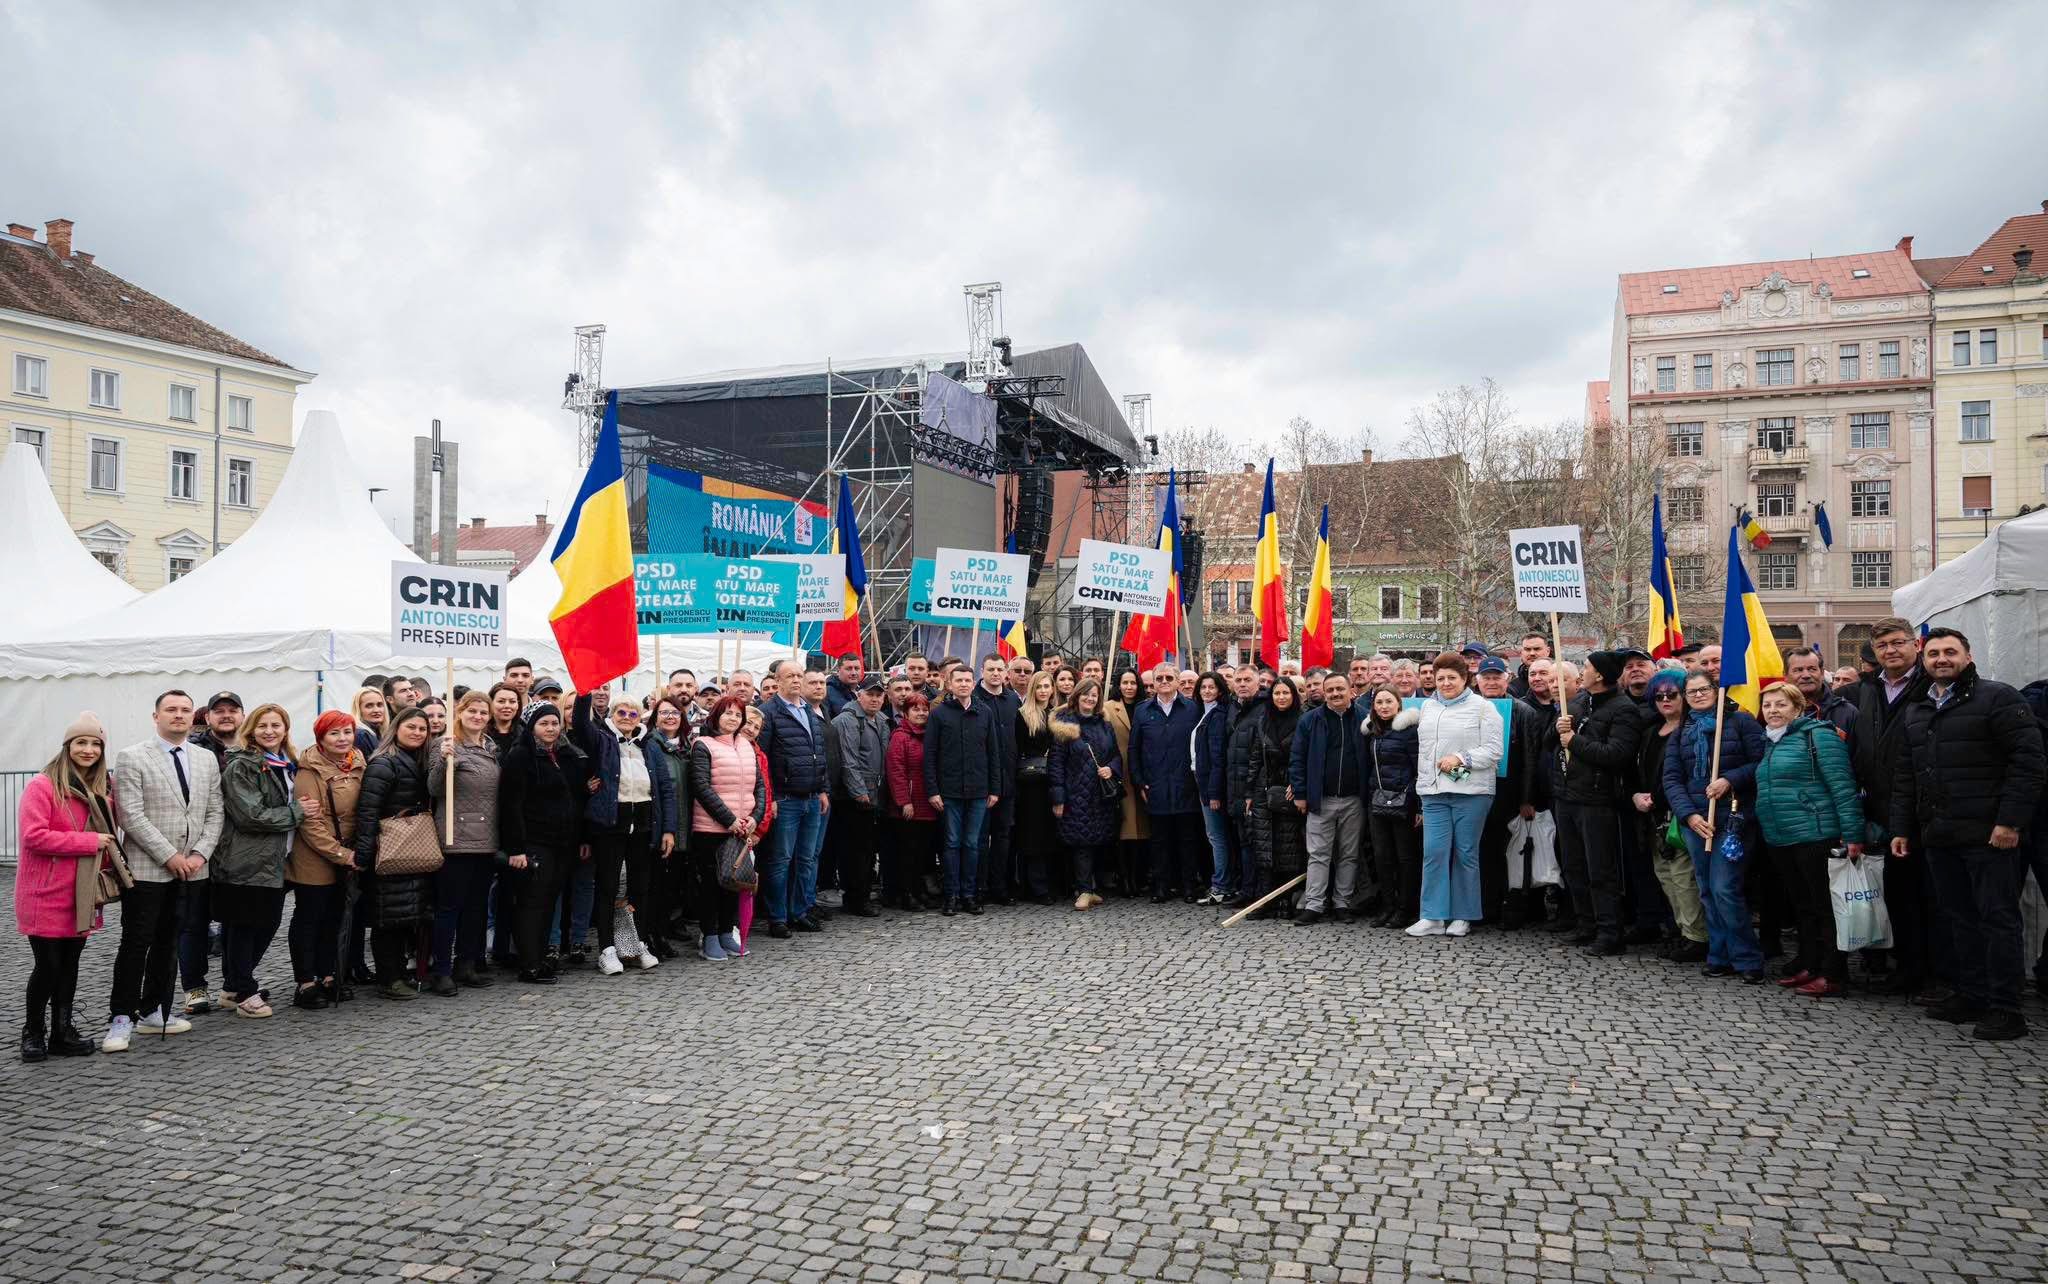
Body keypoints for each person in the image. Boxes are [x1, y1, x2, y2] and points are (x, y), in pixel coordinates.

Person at [1889, 627, 2046, 1040]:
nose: (1942, 659)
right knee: (1959, 918)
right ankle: (1971, 993)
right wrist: (1903, 827)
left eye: (1950, 652)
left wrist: (2010, 822)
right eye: (1934, 653)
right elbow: (1908, 775)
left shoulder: (1998, 697)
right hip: (1940, 834)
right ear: (1924, 660)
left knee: (1998, 920)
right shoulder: (1918, 708)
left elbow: (2028, 764)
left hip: (1990, 834)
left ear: (1968, 655)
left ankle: (2006, 1008)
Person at [105, 690, 221, 1051]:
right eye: (171, 710)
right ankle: (121, 1017)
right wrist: (171, 855)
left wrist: (200, 854)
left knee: (171, 941)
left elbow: (215, 812)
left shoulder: (205, 759)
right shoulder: (132, 757)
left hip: (192, 869)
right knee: (136, 943)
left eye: (185, 710)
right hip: (148, 869)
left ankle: (154, 1009)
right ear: (155, 716)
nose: (179, 715)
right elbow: (131, 816)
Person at [16, 713, 120, 1062]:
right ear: (67, 746)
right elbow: (33, 837)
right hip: (44, 893)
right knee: (47, 965)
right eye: (81, 742)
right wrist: (88, 841)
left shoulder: (102, 791)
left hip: (82, 892)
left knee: (70, 964)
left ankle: (61, 1032)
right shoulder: (43, 786)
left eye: (95, 744)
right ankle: (32, 1033)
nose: (88, 749)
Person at [1753, 682, 1865, 999]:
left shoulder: (1819, 736)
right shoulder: (1772, 742)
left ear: (1798, 708)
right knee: (1804, 907)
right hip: (1782, 836)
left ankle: (1833, 973)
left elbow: (1843, 787)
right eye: (1767, 705)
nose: (1772, 710)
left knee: (1825, 908)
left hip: (1816, 833)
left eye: (1780, 705)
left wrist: (1853, 833)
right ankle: (1812, 964)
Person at [1852, 617, 1938, 999]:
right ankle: (1907, 968)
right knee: (1898, 894)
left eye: (1898, 642)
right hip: (1880, 804)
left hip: (1922, 806)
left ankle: (1934, 972)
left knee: (1928, 895)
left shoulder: (1931, 685)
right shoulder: (1867, 689)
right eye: (1883, 645)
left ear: (1915, 645)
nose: (1890, 650)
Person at [1662, 670, 1768, 983]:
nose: (1697, 695)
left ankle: (1747, 958)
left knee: (1726, 888)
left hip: (1733, 819)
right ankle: (1719, 955)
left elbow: (1762, 761)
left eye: (1703, 689)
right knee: (1707, 890)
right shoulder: (1682, 731)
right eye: (1690, 691)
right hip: (1698, 822)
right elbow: (1671, 778)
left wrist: (1729, 779)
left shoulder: (1741, 722)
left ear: (1716, 689)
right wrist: (1688, 816)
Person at [573, 687, 678, 973]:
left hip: (644, 824)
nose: (628, 717)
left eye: (633, 713)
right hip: (611, 824)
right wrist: (585, 692)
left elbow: (665, 790)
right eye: (621, 712)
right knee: (608, 887)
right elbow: (581, 725)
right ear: (612, 715)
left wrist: (669, 829)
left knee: (640, 888)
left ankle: (638, 943)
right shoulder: (603, 740)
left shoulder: (649, 746)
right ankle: (607, 948)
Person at [213, 704, 305, 1018]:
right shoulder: (244, 764)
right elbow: (250, 815)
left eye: (276, 725)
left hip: (277, 858)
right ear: (251, 729)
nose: (269, 731)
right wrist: (298, 813)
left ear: (285, 728)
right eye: (262, 725)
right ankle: (243, 989)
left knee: (264, 923)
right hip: (247, 858)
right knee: (247, 925)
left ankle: (233, 985)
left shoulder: (286, 763)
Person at [1551, 651, 1644, 956]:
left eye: (1587, 668)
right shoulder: (1578, 703)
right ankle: (1585, 923)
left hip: (1598, 800)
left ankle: (1609, 931)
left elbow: (1616, 754)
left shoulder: (1624, 709)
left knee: (1601, 870)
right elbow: (1553, 744)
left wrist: (1573, 741)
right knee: (1574, 866)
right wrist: (1559, 729)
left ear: (1601, 675)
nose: (1582, 671)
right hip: (1568, 796)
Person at [498, 702, 594, 985]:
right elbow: (511, 805)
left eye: (554, 723)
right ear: (531, 727)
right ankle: (529, 964)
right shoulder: (520, 755)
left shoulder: (565, 755)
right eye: (544, 724)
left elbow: (578, 799)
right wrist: (515, 848)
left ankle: (541, 959)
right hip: (533, 841)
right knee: (532, 903)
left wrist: (583, 837)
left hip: (563, 841)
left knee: (550, 902)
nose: (551, 728)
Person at [1410, 653, 1503, 937]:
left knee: (1465, 853)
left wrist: (1461, 758)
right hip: (1434, 791)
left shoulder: (1483, 709)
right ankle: (1433, 916)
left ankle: (1463, 916)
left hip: (1471, 791)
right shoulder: (1427, 707)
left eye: (1452, 678)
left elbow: (1494, 750)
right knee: (1434, 853)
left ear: (1465, 679)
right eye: (1441, 679)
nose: (1446, 683)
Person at [352, 707, 438, 1001]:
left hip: (410, 849)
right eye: (411, 727)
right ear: (397, 728)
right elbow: (367, 811)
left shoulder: (418, 760)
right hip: (388, 850)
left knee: (404, 917)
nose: (417, 733)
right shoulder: (384, 764)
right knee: (387, 919)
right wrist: (365, 853)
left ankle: (399, 973)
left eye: (422, 729)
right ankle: (389, 978)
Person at [424, 691, 501, 994]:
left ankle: (466, 963)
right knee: (449, 908)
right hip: (457, 838)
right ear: (460, 712)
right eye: (472, 711)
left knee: (476, 908)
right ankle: (441, 969)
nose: (478, 716)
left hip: (487, 838)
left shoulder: (491, 747)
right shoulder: (446, 745)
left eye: (483, 712)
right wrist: (445, 762)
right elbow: (434, 787)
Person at [1631, 671, 1707, 963]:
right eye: (1659, 695)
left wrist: (1664, 800)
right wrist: (1637, 796)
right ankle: (1681, 931)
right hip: (1651, 816)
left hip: (1680, 814)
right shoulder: (1651, 731)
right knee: (1666, 877)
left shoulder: (1691, 731)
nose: (1665, 700)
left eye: (1672, 694)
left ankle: (1696, 937)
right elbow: (1639, 771)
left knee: (1684, 878)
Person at [289, 710, 361, 1009]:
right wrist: (342, 854)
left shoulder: (358, 762)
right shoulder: (310, 772)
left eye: (346, 732)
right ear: (321, 738)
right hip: (315, 856)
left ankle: (329, 973)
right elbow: (310, 823)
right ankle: (305, 982)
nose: (342, 738)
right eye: (334, 733)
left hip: (348, 853)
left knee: (335, 918)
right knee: (310, 918)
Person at [688, 694, 767, 960]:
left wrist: (755, 816)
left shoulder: (746, 744)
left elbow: (759, 785)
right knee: (711, 885)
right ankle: (709, 936)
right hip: (711, 828)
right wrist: (729, 820)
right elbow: (701, 787)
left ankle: (725, 932)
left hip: (742, 828)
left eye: (737, 714)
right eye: (728, 713)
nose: (733, 718)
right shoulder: (703, 745)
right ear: (716, 716)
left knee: (734, 883)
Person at [754, 660, 830, 936]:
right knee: (781, 859)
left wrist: (823, 789)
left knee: (806, 858)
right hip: (785, 798)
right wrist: (770, 797)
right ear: (778, 680)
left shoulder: (808, 710)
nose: (796, 680)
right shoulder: (769, 712)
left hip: (811, 796)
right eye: (790, 676)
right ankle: (778, 917)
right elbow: (761, 759)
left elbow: (818, 752)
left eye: (799, 675)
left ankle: (799, 911)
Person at [177, 690, 242, 1014]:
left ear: (242, 715)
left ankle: (234, 984)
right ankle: (194, 988)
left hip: (238, 852)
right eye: (220, 710)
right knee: (194, 921)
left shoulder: (250, 748)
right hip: (200, 848)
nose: (226, 715)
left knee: (234, 920)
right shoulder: (194, 752)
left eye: (233, 709)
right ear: (209, 717)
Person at [1288, 671, 1367, 925]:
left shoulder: (1365, 718)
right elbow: (1297, 758)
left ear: (1350, 690)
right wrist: (1300, 793)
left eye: (1339, 689)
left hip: (1354, 799)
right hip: (1320, 799)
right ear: (1324, 692)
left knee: (1349, 854)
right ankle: (1314, 905)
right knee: (1318, 854)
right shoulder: (1310, 720)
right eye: (1330, 690)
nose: (1335, 694)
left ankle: (1342, 903)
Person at [1473, 656, 1546, 928]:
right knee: (1483, 851)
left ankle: (1511, 909)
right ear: (1477, 681)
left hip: (1510, 793)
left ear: (1507, 679)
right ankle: (1485, 907)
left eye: (1496, 677)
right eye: (1486, 677)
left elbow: (1530, 758)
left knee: (1510, 852)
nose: (1491, 682)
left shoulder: (1524, 711)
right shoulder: (1470, 708)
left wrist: (1527, 799)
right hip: (1476, 790)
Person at [925, 663, 1002, 915]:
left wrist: (994, 788)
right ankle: (951, 895)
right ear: (950, 683)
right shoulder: (939, 714)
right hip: (949, 792)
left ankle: (969, 895)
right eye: (959, 680)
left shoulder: (985, 712)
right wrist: (933, 790)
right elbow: (930, 755)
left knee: (972, 844)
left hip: (979, 791)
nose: (964, 684)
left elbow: (993, 753)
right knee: (951, 843)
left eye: (968, 680)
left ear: (973, 682)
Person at [1131, 662, 1205, 903]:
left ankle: (1189, 886)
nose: (1163, 682)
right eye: (1159, 678)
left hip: (1186, 784)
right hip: (1156, 785)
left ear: (1177, 680)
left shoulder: (1193, 709)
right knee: (1159, 840)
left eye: (1168, 678)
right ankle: (1161, 886)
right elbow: (1135, 749)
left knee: (1188, 839)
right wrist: (1140, 781)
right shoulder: (1143, 711)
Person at [1051, 679, 1123, 911]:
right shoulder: (1065, 725)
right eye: (1086, 695)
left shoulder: (1104, 724)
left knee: (1098, 840)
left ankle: (1092, 889)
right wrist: (1058, 797)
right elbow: (1056, 764)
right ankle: (1083, 889)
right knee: (1080, 842)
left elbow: (1115, 755)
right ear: (1077, 696)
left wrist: (1110, 768)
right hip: (1075, 794)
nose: (1090, 699)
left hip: (1099, 795)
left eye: (1094, 695)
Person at [1244, 677, 1308, 918]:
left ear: (1293, 695)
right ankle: (1265, 900)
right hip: (1263, 790)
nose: (1281, 697)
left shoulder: (1304, 719)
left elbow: (1306, 755)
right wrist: (1249, 792)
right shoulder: (1263, 721)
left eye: (1285, 693)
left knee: (1289, 847)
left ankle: (1287, 900)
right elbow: (1254, 758)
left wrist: (1297, 782)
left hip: (1290, 790)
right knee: (1264, 847)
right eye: (1277, 693)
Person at [830, 676, 890, 917]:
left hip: (874, 795)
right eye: (870, 694)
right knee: (855, 852)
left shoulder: (881, 721)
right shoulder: (847, 720)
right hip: (854, 798)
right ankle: (855, 898)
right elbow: (848, 760)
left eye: (879, 695)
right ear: (859, 694)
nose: (874, 698)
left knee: (866, 850)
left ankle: (862, 895)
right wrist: (859, 792)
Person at [1362, 688, 1422, 928]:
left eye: (1389, 701)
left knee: (1405, 857)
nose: (1384, 706)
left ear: (1399, 704)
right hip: (1376, 800)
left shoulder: (1410, 732)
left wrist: (1419, 806)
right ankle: (1387, 906)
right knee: (1382, 856)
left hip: (1404, 802)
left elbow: (1419, 769)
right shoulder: (1372, 732)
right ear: (1374, 706)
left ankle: (1405, 908)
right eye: (1379, 702)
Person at [646, 697, 694, 954]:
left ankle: (668, 927)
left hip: (686, 824)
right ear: (655, 717)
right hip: (663, 824)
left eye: (675, 713)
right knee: (659, 884)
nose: (670, 717)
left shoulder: (686, 746)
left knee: (676, 882)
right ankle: (656, 934)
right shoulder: (651, 745)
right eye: (663, 712)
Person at [975, 654, 1023, 905]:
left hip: (1009, 780)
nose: (995, 673)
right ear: (982, 670)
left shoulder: (1012, 699)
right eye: (990, 668)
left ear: (1006, 672)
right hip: (982, 783)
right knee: (981, 838)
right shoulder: (973, 699)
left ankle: (999, 887)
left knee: (1003, 837)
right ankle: (979, 887)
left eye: (999, 669)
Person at [1012, 671, 1061, 904]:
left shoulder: (1057, 715)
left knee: (1050, 835)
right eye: (1039, 686)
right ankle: (1035, 887)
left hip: (1053, 781)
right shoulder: (1023, 715)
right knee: (1032, 837)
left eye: (1047, 686)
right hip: (1031, 784)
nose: (1043, 690)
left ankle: (1050, 883)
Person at [885, 694, 937, 910]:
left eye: (924, 709)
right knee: (907, 853)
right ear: (905, 713)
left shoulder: (930, 735)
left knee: (922, 853)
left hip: (928, 803)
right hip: (908, 805)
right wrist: (903, 801)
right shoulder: (900, 737)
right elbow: (895, 771)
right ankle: (905, 893)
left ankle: (918, 890)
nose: (921, 713)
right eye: (916, 709)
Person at [1223, 667, 1268, 906]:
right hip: (1235, 789)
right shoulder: (1234, 709)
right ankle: (1247, 888)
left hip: (1255, 791)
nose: (1242, 684)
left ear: (1258, 682)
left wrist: (1253, 790)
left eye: (1247, 680)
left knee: (1256, 842)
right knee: (1243, 842)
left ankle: (1259, 892)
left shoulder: (1264, 709)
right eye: (1238, 680)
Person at [1192, 672, 1237, 906]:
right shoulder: (1205, 713)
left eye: (1211, 687)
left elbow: (1217, 757)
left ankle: (1222, 885)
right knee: (1215, 836)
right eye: (1203, 687)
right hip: (1202, 781)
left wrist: (1214, 793)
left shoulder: (1218, 715)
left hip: (1211, 786)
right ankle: (1222, 882)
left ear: (1220, 690)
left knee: (1217, 837)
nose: (1207, 691)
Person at [1104, 669, 1150, 895]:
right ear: (1118, 685)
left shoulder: (1146, 706)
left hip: (1142, 773)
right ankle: (1125, 879)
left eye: (1133, 682)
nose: (1129, 687)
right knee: (1125, 831)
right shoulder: (1108, 707)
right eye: (1125, 682)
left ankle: (1140, 876)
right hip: (1119, 773)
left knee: (1143, 830)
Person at [1786, 648, 1857, 744]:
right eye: (1798, 670)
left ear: (1822, 673)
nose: (1806, 675)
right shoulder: (1774, 712)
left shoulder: (1847, 712)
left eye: (1812, 669)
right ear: (1785, 676)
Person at [351, 687, 389, 757]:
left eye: (379, 705)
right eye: (369, 706)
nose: (376, 710)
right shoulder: (361, 735)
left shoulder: (379, 732)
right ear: (359, 709)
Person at [826, 654, 863, 719]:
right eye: (849, 669)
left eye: (857, 668)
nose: (853, 673)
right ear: (838, 671)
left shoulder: (864, 690)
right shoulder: (827, 692)